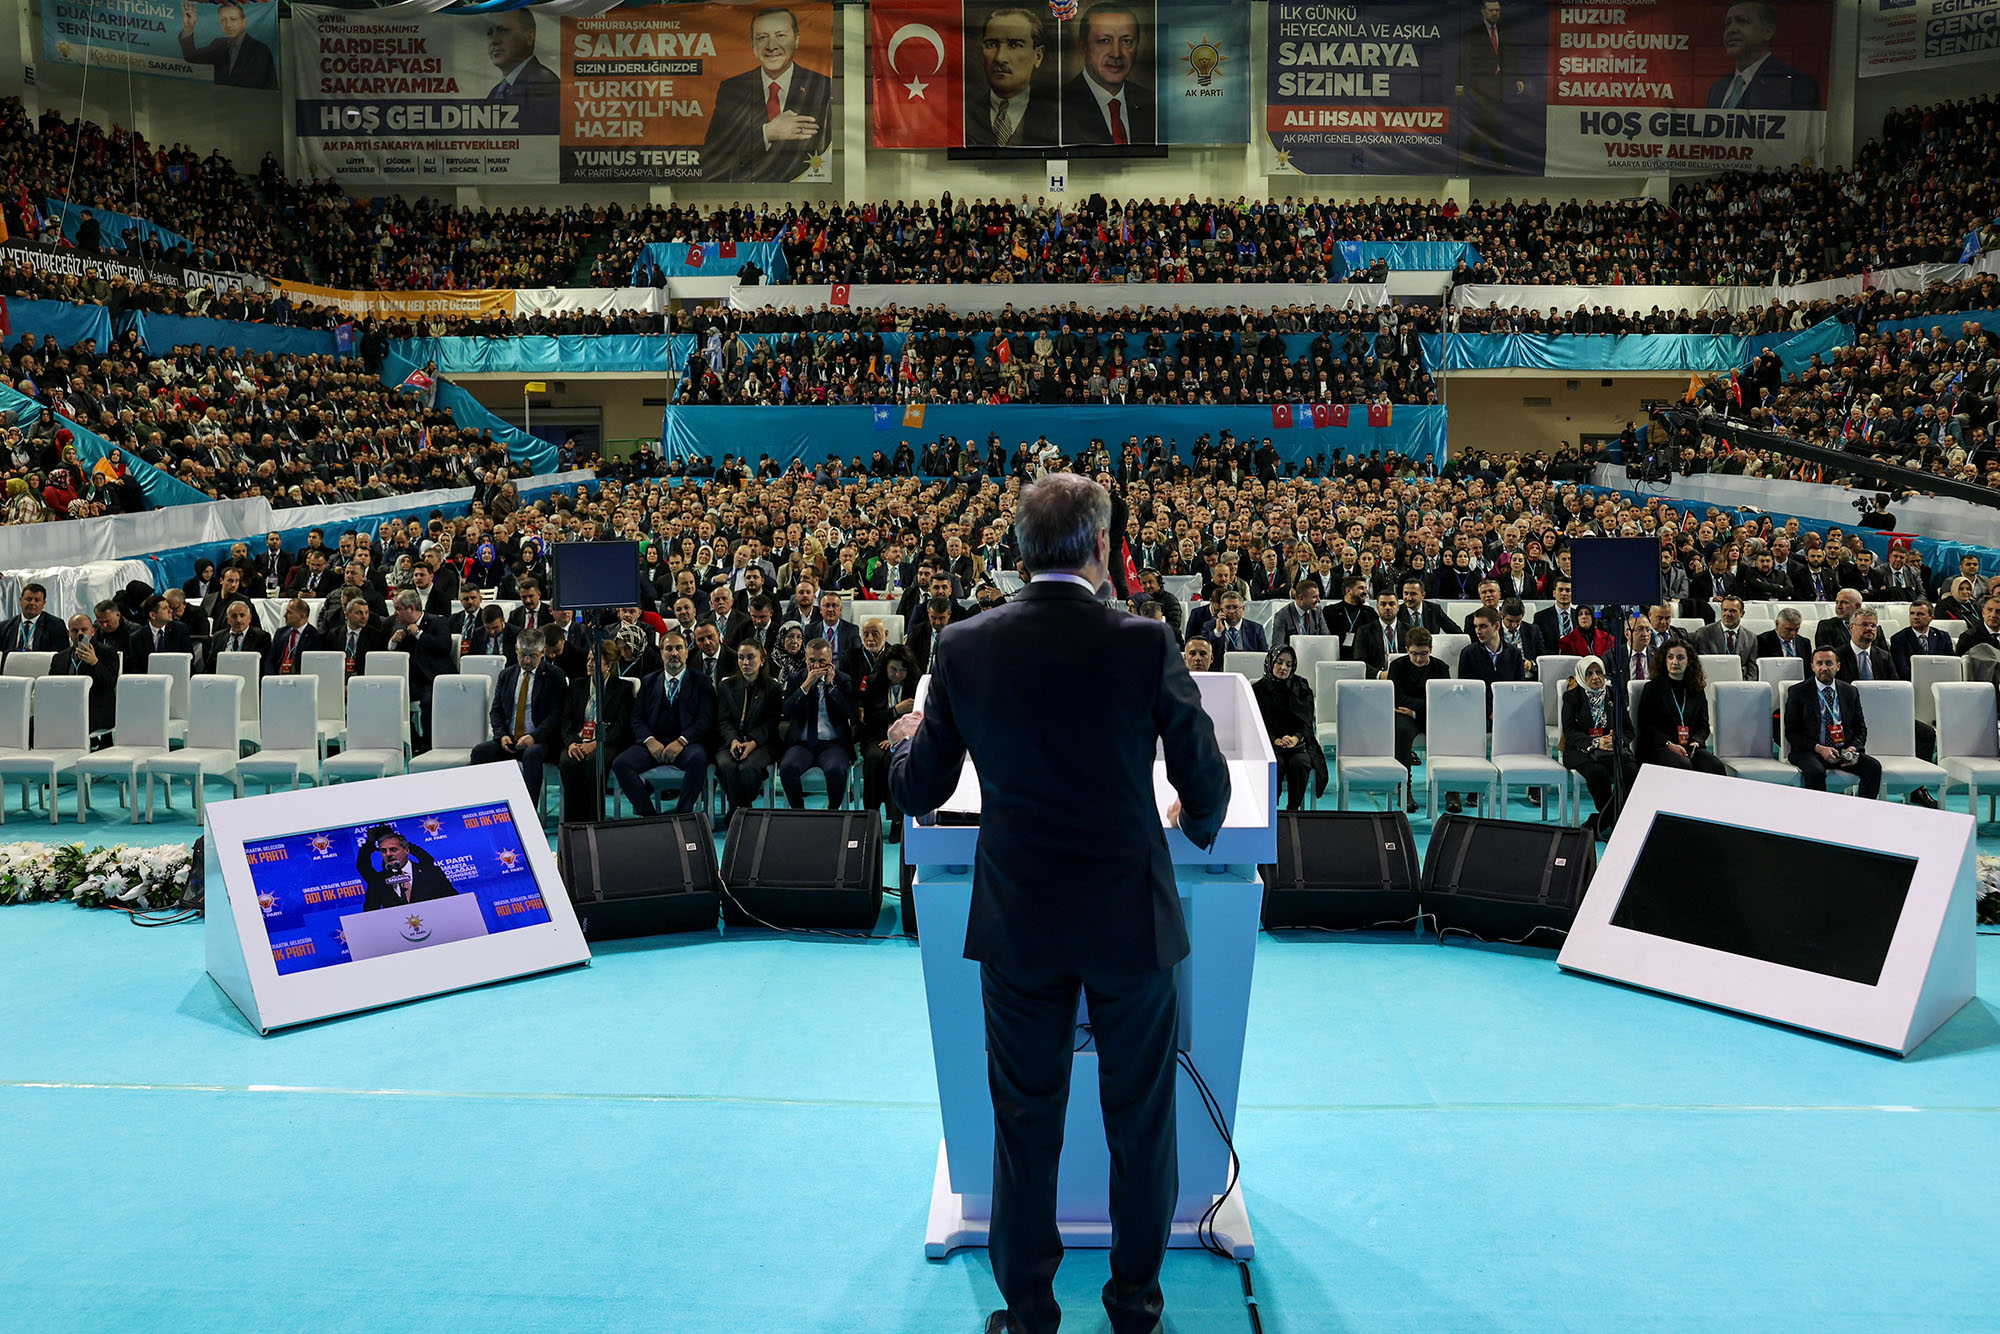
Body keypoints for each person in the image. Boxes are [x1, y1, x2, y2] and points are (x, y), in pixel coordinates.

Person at [887, 473, 1228, 1334]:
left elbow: (919, 784)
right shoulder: (1146, 642)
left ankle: (1030, 1310)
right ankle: (1136, 1306)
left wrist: (899, 747)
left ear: (1020, 550)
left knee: (1024, 1121)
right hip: (1129, 921)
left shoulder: (964, 647)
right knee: (1140, 1123)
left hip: (1021, 921)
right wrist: (1198, 816)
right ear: (1105, 550)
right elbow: (1206, 781)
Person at [701, 5, 832, 183]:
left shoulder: (822, 86)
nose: (771, 46)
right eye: (762, 37)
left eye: (780, 36)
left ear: (797, 40)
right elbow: (714, 155)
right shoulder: (732, 89)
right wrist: (767, 132)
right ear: (752, 44)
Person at [614, 626, 715, 816]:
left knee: (699, 759)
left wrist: (682, 741)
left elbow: (705, 719)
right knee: (621, 763)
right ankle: (650, 816)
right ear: (661, 653)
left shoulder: (701, 681)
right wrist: (649, 741)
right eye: (669, 649)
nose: (674, 653)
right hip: (654, 743)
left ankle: (683, 814)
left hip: (687, 744)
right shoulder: (649, 681)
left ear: (687, 652)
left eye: (679, 648)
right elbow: (637, 717)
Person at [471, 630, 566, 805]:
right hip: (510, 739)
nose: (527, 661)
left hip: (542, 742)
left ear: (543, 652)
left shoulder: (555, 675)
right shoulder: (507, 675)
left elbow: (556, 716)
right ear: (516, 650)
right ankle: (485, 806)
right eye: (523, 655)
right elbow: (496, 711)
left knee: (532, 754)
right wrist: (501, 735)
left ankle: (528, 811)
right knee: (480, 752)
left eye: (532, 656)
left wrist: (534, 737)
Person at [1785, 648, 1882, 798]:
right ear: (1812, 666)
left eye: (1829, 663)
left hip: (1843, 751)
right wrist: (1819, 749)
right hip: (1810, 751)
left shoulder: (1850, 691)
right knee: (1816, 772)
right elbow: (1792, 732)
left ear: (1838, 666)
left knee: (1873, 767)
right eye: (1819, 663)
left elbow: (1860, 728)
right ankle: (1820, 817)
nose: (1824, 668)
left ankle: (1864, 813)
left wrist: (1852, 748)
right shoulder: (1798, 692)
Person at [1560, 655, 1638, 839]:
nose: (1595, 677)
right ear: (1581, 676)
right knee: (1598, 774)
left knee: (1632, 770)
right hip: (1581, 752)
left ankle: (1600, 822)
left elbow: (1628, 729)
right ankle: (1617, 820)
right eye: (1589, 673)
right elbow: (1570, 731)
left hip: (1611, 750)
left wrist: (1617, 741)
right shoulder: (1572, 697)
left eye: (1599, 672)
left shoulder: (1613, 695)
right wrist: (1594, 742)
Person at [559, 636, 633, 824]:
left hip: (607, 742)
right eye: (589, 659)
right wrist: (571, 743)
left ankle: (594, 820)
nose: (589, 663)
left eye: (595, 660)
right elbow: (567, 721)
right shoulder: (577, 685)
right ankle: (572, 823)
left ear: (608, 665)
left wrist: (596, 743)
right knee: (569, 761)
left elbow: (621, 726)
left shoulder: (623, 688)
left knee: (594, 761)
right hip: (578, 739)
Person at [1060, 2, 1155, 146]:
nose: (1116, 53)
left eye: (1126, 41)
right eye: (1105, 41)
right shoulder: (1056, 106)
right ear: (1084, 47)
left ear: (1137, 47)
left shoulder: (1152, 104)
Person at [967, 5, 1061, 147]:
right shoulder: (963, 117)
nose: (1000, 58)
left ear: (1038, 56)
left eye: (1015, 45)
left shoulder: (1060, 119)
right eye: (991, 44)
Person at [779, 637, 856, 808]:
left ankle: (832, 812)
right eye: (811, 661)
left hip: (833, 744)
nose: (816, 666)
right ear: (805, 659)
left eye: (822, 661)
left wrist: (830, 686)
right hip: (803, 743)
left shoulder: (843, 680)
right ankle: (799, 812)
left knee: (836, 770)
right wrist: (805, 686)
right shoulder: (796, 679)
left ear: (830, 662)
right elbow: (787, 710)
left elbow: (848, 711)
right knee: (787, 768)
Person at [715, 639, 783, 824]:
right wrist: (734, 741)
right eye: (741, 658)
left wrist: (752, 742)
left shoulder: (773, 688)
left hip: (762, 743)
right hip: (731, 742)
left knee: (747, 769)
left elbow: (771, 723)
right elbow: (724, 720)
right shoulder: (726, 686)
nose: (745, 662)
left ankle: (738, 810)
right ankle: (743, 810)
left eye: (750, 657)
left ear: (762, 660)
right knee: (726, 766)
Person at [1706, 0, 1819, 110]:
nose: (1731, 30)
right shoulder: (1717, 89)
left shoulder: (1796, 85)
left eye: (1742, 21)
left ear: (1768, 32)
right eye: (1727, 24)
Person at [1635, 641, 1727, 775]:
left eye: (1680, 657)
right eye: (1670, 657)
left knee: (1715, 765)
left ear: (1689, 661)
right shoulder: (1652, 688)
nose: (1674, 662)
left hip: (1689, 747)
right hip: (1659, 747)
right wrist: (1668, 744)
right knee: (1683, 765)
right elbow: (1646, 726)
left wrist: (1696, 742)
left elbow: (1703, 726)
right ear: (1664, 660)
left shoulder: (1696, 689)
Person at [1253, 645, 1326, 812]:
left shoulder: (1301, 687)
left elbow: (1307, 722)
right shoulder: (1257, 690)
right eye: (1279, 662)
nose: (1283, 668)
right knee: (1274, 764)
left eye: (1288, 664)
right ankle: (1269, 810)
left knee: (1300, 763)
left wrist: (1295, 738)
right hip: (1268, 744)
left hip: (1298, 744)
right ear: (1270, 662)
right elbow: (1256, 724)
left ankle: (1293, 810)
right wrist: (1274, 740)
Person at [382, 589, 455, 751]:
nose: (395, 613)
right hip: (411, 680)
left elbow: (444, 646)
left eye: (398, 608)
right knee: (389, 699)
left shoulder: (437, 622)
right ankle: (412, 741)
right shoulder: (399, 627)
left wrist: (419, 634)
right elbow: (394, 655)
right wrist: (392, 643)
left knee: (428, 702)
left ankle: (428, 744)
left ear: (412, 608)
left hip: (434, 679)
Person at [1385, 627, 1449, 812]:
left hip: (1428, 715)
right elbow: (1397, 698)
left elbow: (1443, 700)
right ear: (1406, 649)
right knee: (1402, 731)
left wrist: (1415, 711)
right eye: (1414, 654)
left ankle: (1450, 787)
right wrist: (1426, 705)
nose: (1419, 659)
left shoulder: (1440, 667)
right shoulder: (1397, 666)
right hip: (1407, 716)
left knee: (1449, 731)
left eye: (1424, 654)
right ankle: (1404, 787)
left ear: (1431, 650)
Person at [858, 646, 917, 839]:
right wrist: (895, 711)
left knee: (893, 762)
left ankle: (897, 820)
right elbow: (869, 719)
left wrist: (894, 736)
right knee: (874, 759)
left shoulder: (916, 685)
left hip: (906, 737)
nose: (898, 674)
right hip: (875, 735)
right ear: (885, 668)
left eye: (902, 670)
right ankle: (871, 816)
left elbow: (919, 719)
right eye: (893, 669)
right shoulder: (873, 683)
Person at [1457, 0, 1523, 171]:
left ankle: (1467, 155)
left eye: (1498, 10)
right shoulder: (1474, 32)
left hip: (1499, 84)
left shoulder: (1505, 31)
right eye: (1491, 10)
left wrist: (1518, 78)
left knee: (1489, 121)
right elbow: (1464, 58)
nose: (1495, 13)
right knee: (1491, 119)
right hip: (1480, 84)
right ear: (1483, 12)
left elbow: (1512, 55)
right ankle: (1498, 162)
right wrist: (1459, 83)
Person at [483, 10, 559, 131]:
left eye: (503, 30)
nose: (494, 40)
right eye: (489, 33)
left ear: (529, 37)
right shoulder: (496, 91)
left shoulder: (544, 83)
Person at [356, 825, 459, 913]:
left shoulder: (431, 872)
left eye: (393, 849)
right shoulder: (378, 882)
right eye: (383, 851)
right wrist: (370, 843)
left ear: (406, 851)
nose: (388, 854)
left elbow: (453, 900)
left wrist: (394, 837)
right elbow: (363, 866)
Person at [178, 0, 277, 90]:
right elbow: (191, 56)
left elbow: (271, 85)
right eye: (223, 20)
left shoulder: (261, 49)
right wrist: (188, 28)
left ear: (244, 22)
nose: (228, 25)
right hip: (221, 104)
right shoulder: (219, 44)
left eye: (233, 19)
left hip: (250, 105)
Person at [56, 614, 120, 733]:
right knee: (35, 721)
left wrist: (95, 663)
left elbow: (110, 683)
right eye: (75, 630)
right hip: (68, 705)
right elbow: (52, 685)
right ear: (69, 633)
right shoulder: (60, 657)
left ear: (92, 631)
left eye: (84, 630)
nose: (80, 634)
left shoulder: (107, 652)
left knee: (75, 720)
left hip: (97, 707)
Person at [1889, 600, 1955, 679]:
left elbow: (1952, 665)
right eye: (1912, 613)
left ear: (1931, 618)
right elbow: (1902, 670)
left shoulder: (1943, 637)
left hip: (1940, 680)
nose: (1915, 617)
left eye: (1920, 614)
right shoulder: (1899, 638)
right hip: (1913, 683)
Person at [0, 582, 67, 659]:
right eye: (28, 599)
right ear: (20, 601)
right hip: (10, 669)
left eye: (37, 600)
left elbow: (61, 657)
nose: (32, 603)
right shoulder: (4, 626)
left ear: (43, 603)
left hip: (41, 668)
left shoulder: (56, 625)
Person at [1692, 595, 1757, 672]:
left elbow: (1752, 669)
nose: (1728, 614)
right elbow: (1702, 666)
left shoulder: (1751, 637)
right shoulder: (1704, 633)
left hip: (1740, 681)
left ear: (1742, 614)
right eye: (1725, 610)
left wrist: (1745, 683)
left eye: (1733, 611)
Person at [134, 594, 193, 672]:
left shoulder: (180, 630)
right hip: (150, 680)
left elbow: (189, 658)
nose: (171, 611)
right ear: (152, 615)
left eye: (169, 607)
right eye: (165, 608)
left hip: (178, 674)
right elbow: (135, 667)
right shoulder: (137, 638)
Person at [210, 600, 271, 671]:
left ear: (250, 618)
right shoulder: (218, 637)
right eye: (234, 616)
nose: (238, 620)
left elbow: (264, 667)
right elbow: (210, 666)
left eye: (242, 615)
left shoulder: (261, 637)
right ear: (228, 620)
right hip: (223, 678)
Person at [266, 599, 321, 677]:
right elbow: (270, 660)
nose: (285, 615)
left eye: (289, 612)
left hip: (300, 681)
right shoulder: (280, 633)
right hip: (277, 680)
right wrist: (271, 678)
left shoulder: (315, 636)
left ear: (302, 616)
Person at [1201, 590, 1266, 656]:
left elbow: (1264, 656)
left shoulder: (1256, 629)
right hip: (1220, 665)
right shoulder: (1209, 626)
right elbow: (1203, 651)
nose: (1232, 611)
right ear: (1221, 610)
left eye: (1235, 607)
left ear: (1243, 609)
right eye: (1227, 608)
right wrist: (1217, 632)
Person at [1268, 580, 1327, 651]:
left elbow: (1326, 638)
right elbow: (1277, 647)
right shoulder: (1282, 616)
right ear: (1301, 599)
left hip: (1314, 654)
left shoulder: (1318, 611)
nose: (1319, 600)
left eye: (1318, 596)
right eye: (1314, 597)